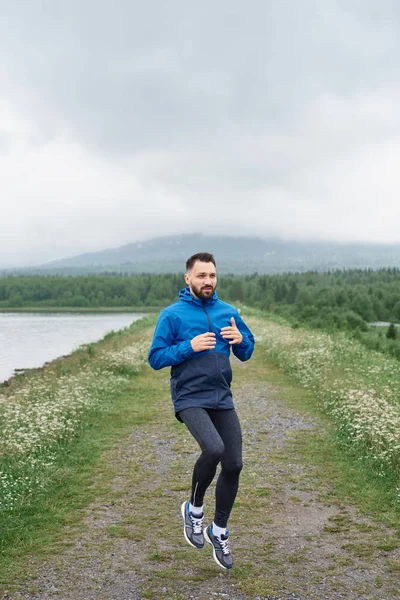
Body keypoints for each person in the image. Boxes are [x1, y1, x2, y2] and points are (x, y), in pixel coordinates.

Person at [148, 252, 255, 570]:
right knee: (213, 448)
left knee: (233, 463)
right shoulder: (172, 315)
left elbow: (246, 350)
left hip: (222, 397)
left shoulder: (228, 311)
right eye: (201, 276)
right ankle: (194, 511)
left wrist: (240, 340)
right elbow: (155, 357)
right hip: (190, 396)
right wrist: (189, 347)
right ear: (188, 279)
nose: (207, 281)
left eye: (211, 275)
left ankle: (218, 530)